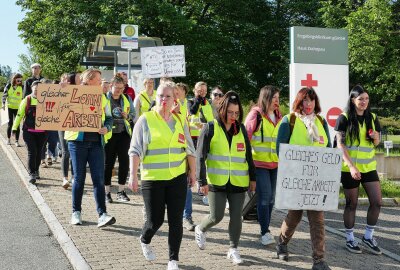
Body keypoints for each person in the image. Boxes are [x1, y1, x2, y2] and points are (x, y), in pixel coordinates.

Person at [128, 81, 196, 270]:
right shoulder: (146, 119)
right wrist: (133, 176)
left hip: (177, 178)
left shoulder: (181, 120)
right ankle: (144, 238)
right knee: (155, 220)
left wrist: (194, 175)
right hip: (153, 179)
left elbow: (190, 149)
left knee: (176, 221)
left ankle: (173, 260)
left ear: (175, 99)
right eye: (160, 96)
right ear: (155, 97)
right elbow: (134, 150)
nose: (163, 100)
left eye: (167, 96)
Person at [194, 91, 256, 265]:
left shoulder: (241, 129)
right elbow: (200, 156)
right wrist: (201, 181)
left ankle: (233, 249)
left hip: (238, 180)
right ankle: (200, 228)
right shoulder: (210, 127)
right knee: (216, 216)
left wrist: (253, 178)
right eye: (230, 112)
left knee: (237, 216)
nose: (233, 116)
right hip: (216, 180)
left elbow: (248, 157)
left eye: (237, 113)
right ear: (222, 110)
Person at [275, 87, 331, 270]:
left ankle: (319, 261)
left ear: (316, 102)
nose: (308, 104)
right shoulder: (288, 121)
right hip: (296, 180)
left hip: (316, 182)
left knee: (318, 221)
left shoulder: (321, 122)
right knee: (294, 216)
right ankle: (282, 243)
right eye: (305, 100)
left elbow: (328, 150)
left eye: (312, 100)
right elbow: (280, 151)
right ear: (299, 102)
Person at [334, 85, 382, 255]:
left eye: (366, 99)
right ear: (353, 100)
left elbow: (376, 143)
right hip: (349, 169)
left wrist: (376, 138)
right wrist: (351, 166)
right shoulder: (344, 117)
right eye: (360, 99)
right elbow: (340, 144)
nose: (364, 102)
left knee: (377, 202)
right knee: (351, 204)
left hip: (369, 167)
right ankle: (350, 239)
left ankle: (368, 237)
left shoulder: (373, 117)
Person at [65, 68, 116, 228]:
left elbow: (109, 118)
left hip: (96, 143)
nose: (101, 82)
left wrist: (107, 128)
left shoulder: (103, 98)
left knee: (98, 180)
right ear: (89, 79)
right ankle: (76, 213)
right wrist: (60, 90)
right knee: (79, 178)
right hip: (77, 142)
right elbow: (60, 108)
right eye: (98, 79)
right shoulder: (73, 93)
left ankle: (102, 214)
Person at [245, 85, 282, 246]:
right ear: (266, 98)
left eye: (278, 98)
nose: (277, 102)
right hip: (258, 164)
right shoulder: (255, 115)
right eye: (274, 98)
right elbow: (245, 138)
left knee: (272, 199)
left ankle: (264, 226)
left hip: (275, 164)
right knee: (265, 197)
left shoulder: (280, 117)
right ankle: (265, 231)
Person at [104, 73, 135, 203]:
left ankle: (121, 191)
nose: (119, 91)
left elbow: (133, 115)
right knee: (108, 163)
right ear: (111, 86)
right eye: (117, 88)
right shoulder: (104, 98)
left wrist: (127, 116)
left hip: (123, 134)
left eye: (122, 88)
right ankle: (106, 192)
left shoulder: (127, 97)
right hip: (109, 135)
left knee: (124, 162)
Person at [12, 80, 48, 184]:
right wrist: (14, 128)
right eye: (35, 88)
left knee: (39, 152)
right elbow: (19, 115)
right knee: (32, 152)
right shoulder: (26, 100)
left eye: (39, 89)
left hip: (43, 132)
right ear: (31, 88)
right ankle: (32, 173)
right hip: (29, 131)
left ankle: (36, 170)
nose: (37, 90)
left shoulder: (47, 99)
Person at [59, 72, 81, 189]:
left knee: (74, 153)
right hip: (63, 124)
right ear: (73, 79)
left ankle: (73, 176)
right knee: (66, 152)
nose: (81, 78)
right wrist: (61, 89)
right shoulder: (65, 89)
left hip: (76, 125)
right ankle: (64, 178)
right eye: (78, 77)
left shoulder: (83, 90)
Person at [2, 73, 24, 146]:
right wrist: (3, 103)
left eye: (21, 80)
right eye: (18, 80)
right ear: (14, 79)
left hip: (18, 108)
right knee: (10, 123)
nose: (19, 82)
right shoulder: (8, 86)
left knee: (17, 124)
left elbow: (25, 97)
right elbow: (4, 95)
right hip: (10, 108)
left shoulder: (22, 87)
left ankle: (16, 141)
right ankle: (8, 140)